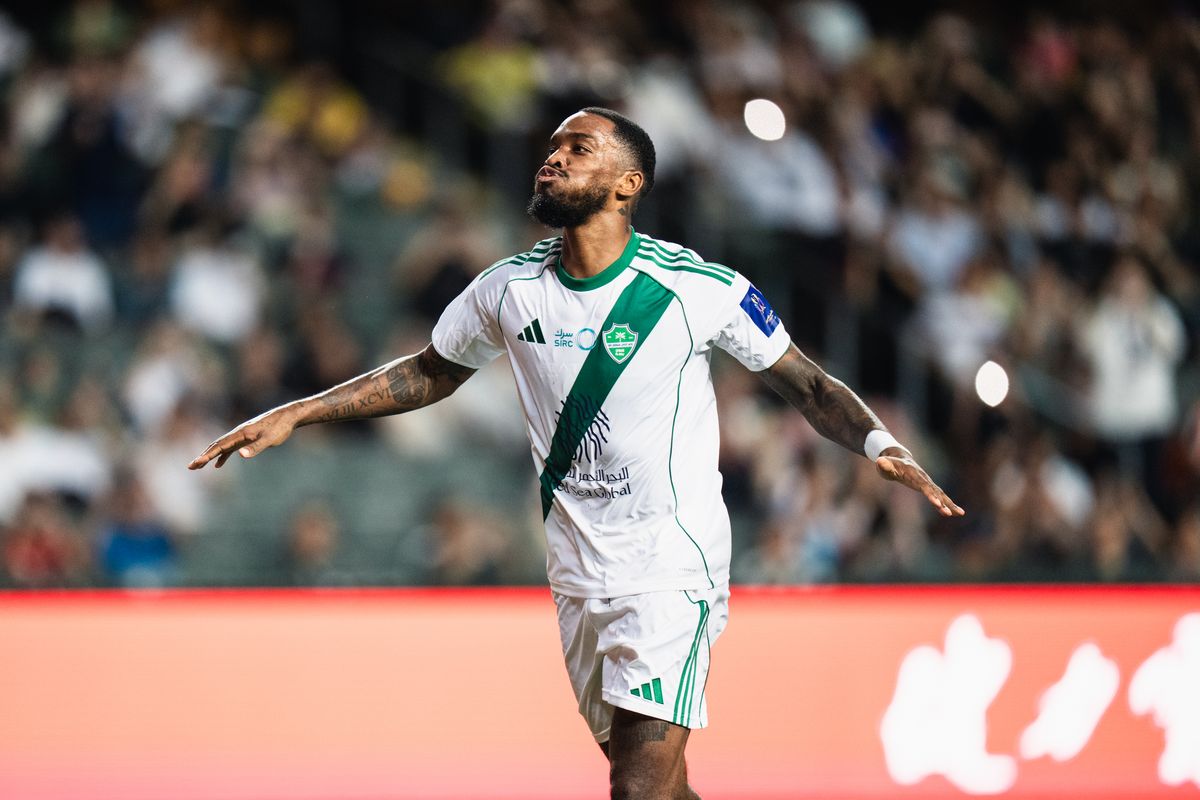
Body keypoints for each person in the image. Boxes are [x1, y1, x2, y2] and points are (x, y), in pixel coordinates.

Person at [189, 107, 964, 799]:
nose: (552, 157)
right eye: (553, 145)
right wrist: (298, 411)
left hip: (671, 566)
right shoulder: (507, 288)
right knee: (655, 786)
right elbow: (428, 373)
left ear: (627, 185)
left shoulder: (696, 287)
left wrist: (879, 443)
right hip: (575, 570)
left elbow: (807, 383)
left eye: (578, 147)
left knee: (634, 785)